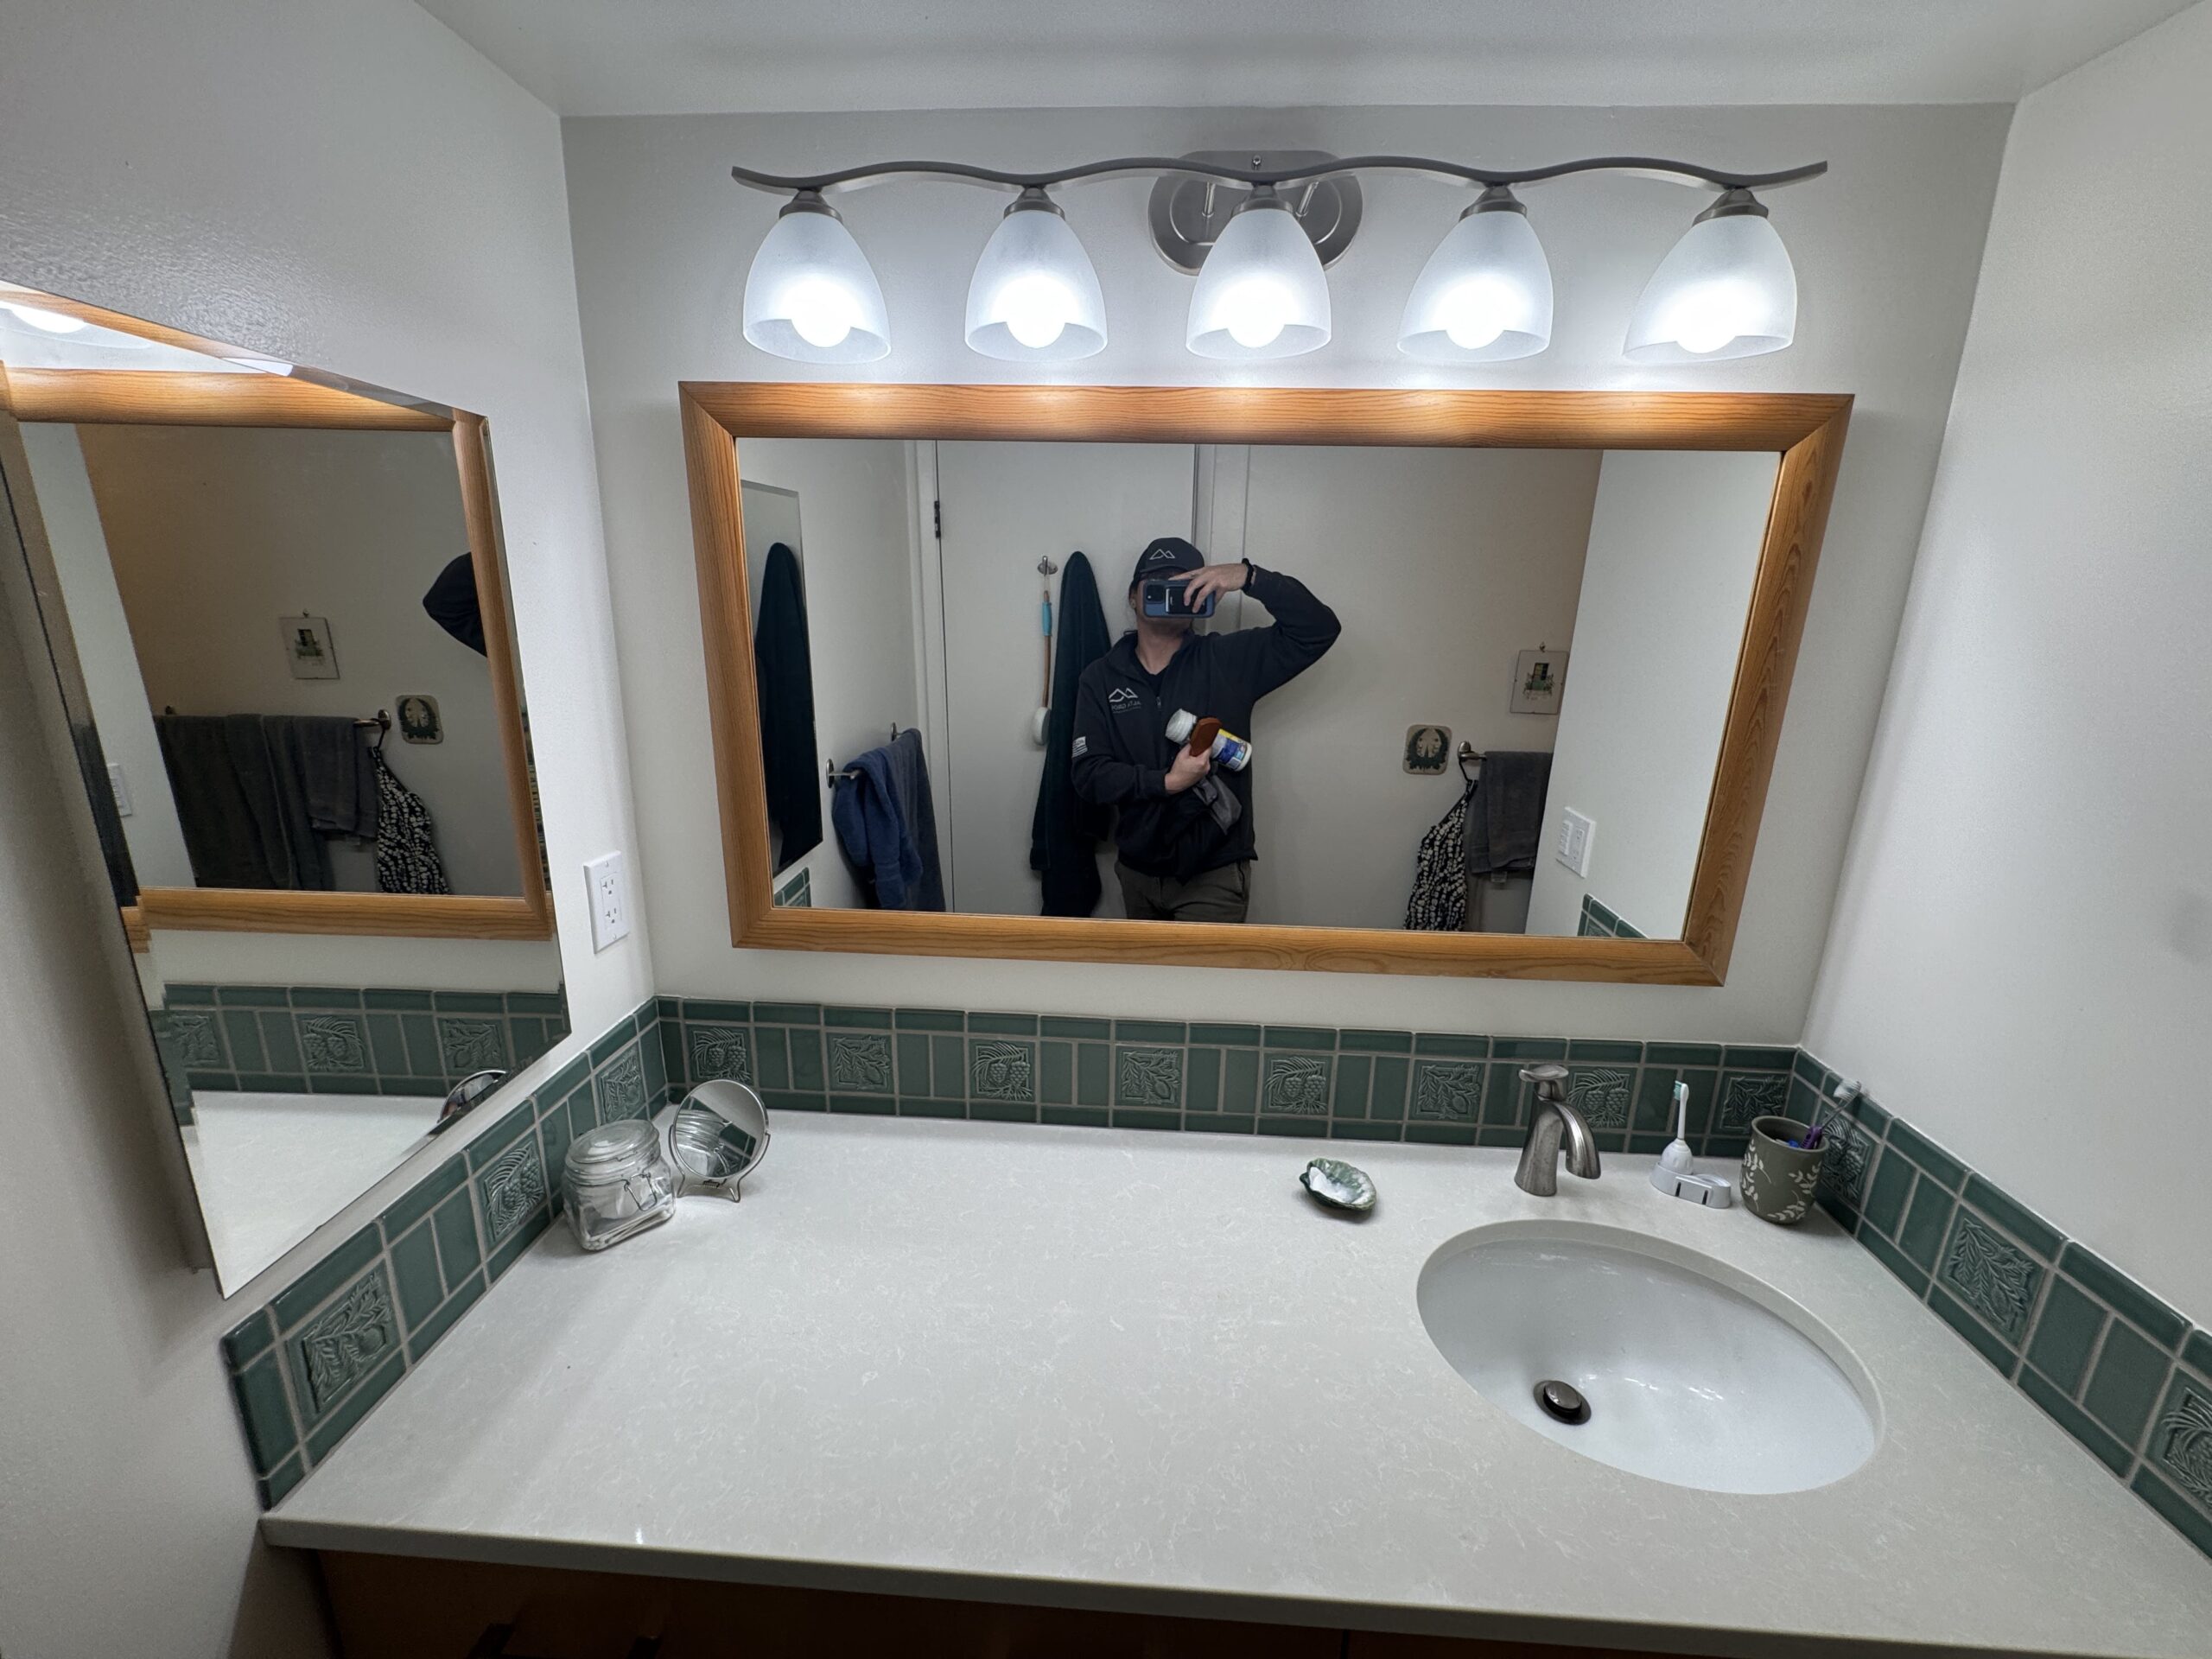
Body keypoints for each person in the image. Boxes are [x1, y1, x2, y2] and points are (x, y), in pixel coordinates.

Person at [1070, 537, 1339, 924]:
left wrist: (1250, 576)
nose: (1171, 593)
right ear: (1133, 596)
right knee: (1146, 967)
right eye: (1158, 584)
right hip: (1137, 872)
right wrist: (1166, 782)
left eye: (1185, 584)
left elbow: (1319, 630)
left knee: (1205, 968)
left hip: (1213, 873)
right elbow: (1088, 774)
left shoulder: (1228, 660)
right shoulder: (1100, 678)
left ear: (1202, 596)